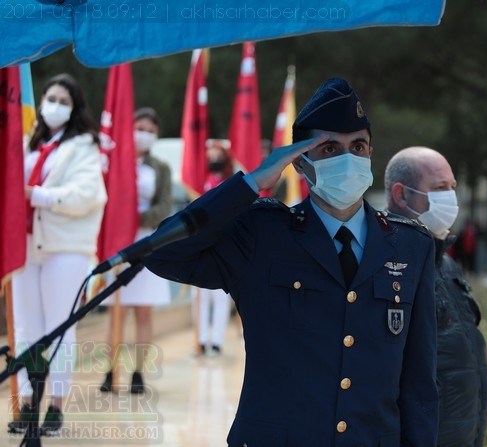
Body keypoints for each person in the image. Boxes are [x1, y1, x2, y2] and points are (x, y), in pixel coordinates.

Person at [144, 77, 439, 445]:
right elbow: (160, 252)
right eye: (330, 148)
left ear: (370, 154)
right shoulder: (263, 234)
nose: (348, 158)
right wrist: (249, 184)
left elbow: (419, 387)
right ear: (300, 162)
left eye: (358, 146)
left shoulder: (411, 246)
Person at [9, 73, 108, 436]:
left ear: (75, 107)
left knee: (60, 330)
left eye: (63, 101)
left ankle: (54, 406)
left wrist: (38, 195)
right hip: (25, 247)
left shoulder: (84, 144)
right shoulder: (27, 143)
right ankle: (27, 403)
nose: (54, 106)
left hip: (65, 247)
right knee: (26, 329)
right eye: (50, 98)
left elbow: (88, 194)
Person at [384, 146, 487, 446]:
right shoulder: (387, 266)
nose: (451, 198)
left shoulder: (446, 263)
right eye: (439, 188)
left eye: (453, 188)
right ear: (401, 195)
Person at [99, 107, 172, 394]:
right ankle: (110, 371)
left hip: (148, 242)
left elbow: (165, 205)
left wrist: (137, 219)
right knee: (117, 312)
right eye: (140, 128)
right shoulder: (116, 161)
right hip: (119, 240)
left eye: (151, 131)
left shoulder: (161, 168)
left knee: (143, 312)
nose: (144, 135)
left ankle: (138, 373)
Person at [193, 139, 233, 355]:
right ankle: (200, 339)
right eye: (210, 155)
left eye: (217, 155)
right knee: (199, 294)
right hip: (200, 239)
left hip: (222, 240)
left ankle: (217, 341)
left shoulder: (231, 179)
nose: (213, 159)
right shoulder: (198, 178)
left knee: (219, 294)